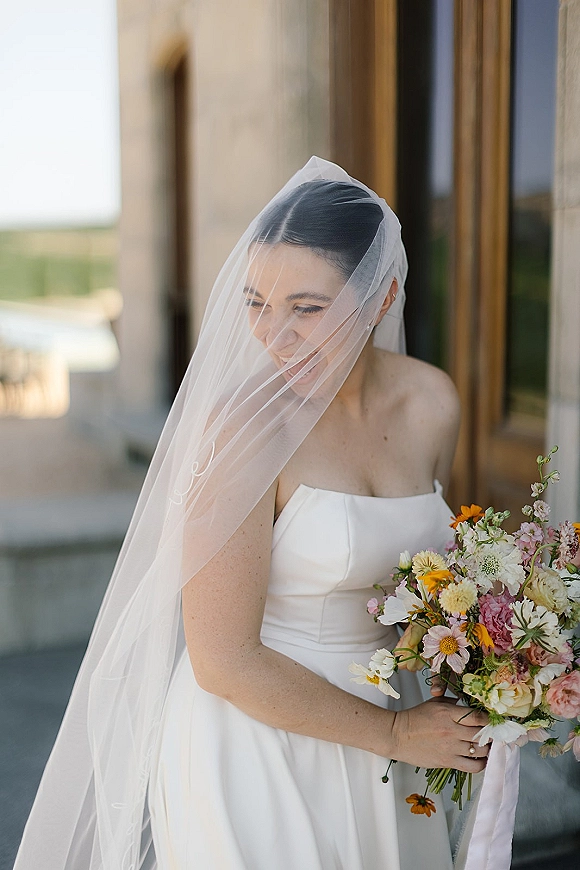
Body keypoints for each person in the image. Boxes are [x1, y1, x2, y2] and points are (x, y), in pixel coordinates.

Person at [13, 157, 488, 870]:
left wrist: (499, 668)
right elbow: (223, 660)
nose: (273, 334)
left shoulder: (432, 403)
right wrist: (396, 735)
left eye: (306, 307)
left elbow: (423, 583)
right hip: (257, 745)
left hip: (396, 723)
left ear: (382, 296)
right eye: (256, 303)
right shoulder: (245, 433)